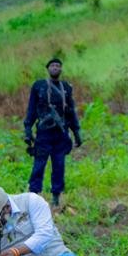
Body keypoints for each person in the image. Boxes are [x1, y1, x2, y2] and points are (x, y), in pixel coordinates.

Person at [23, 57, 82, 208]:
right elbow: (31, 109)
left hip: (61, 135)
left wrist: (76, 133)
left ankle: (56, 198)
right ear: (48, 68)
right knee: (39, 165)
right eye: (52, 65)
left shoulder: (66, 88)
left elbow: (71, 112)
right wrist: (28, 130)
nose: (55, 68)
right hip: (44, 134)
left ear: (61, 69)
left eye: (58, 65)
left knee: (59, 166)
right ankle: (34, 196)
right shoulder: (39, 86)